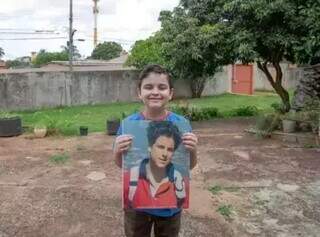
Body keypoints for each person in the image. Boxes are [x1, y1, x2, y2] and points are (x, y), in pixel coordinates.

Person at [113, 64, 198, 237]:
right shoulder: (129, 125)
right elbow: (122, 165)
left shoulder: (181, 124)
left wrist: (194, 150)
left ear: (171, 93)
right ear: (139, 92)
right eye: (148, 87)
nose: (155, 92)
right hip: (137, 207)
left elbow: (188, 166)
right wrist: (116, 151)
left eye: (162, 87)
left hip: (169, 209)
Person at [123, 121, 189, 209]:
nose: (165, 154)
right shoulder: (129, 179)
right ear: (149, 147)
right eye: (160, 147)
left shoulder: (181, 183)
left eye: (170, 150)